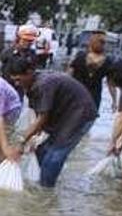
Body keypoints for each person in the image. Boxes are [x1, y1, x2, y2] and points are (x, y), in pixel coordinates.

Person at [8, 56, 98, 187]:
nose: (16, 84)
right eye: (14, 80)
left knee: (55, 155)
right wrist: (33, 138)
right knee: (41, 151)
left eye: (18, 79)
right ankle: (40, 184)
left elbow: (42, 117)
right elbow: (35, 113)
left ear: (29, 72)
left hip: (80, 115)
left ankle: (46, 191)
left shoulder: (44, 84)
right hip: (63, 115)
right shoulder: (31, 85)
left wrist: (22, 141)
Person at [67, 31, 118, 111]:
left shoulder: (80, 56)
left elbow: (68, 77)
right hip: (92, 97)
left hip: (77, 94)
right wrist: (114, 101)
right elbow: (111, 84)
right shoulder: (108, 62)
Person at [0, 24, 38, 89]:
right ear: (18, 39)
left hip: (19, 88)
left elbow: (31, 74)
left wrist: (20, 78)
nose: (27, 43)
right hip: (4, 86)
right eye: (25, 40)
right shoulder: (8, 51)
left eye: (30, 41)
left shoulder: (31, 54)